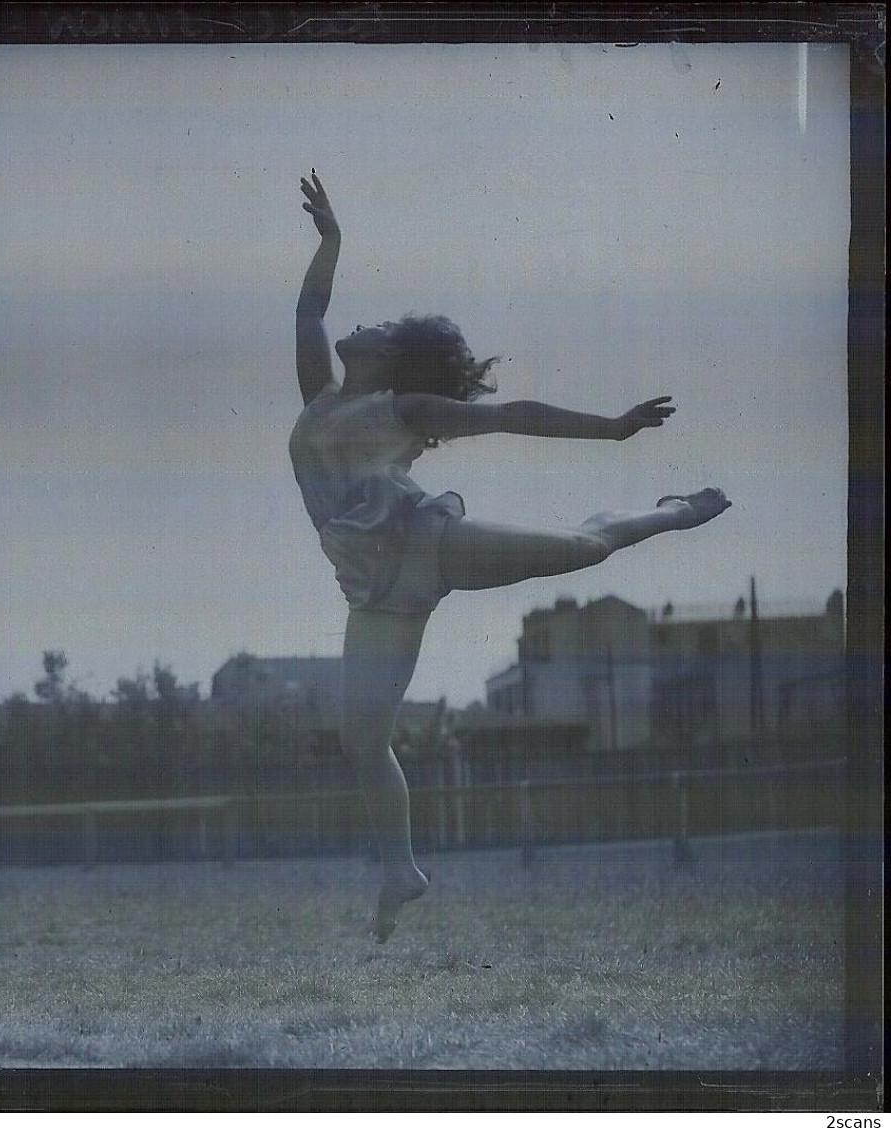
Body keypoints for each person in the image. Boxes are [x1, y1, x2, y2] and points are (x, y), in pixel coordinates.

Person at [290, 171, 731, 942]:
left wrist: (613, 426)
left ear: (391, 359)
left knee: (584, 547)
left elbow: (511, 416)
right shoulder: (319, 399)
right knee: (360, 738)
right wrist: (331, 240)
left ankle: (672, 513)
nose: (361, 325)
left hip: (427, 545)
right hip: (375, 595)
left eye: (380, 326)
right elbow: (308, 308)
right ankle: (400, 870)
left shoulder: (405, 409)